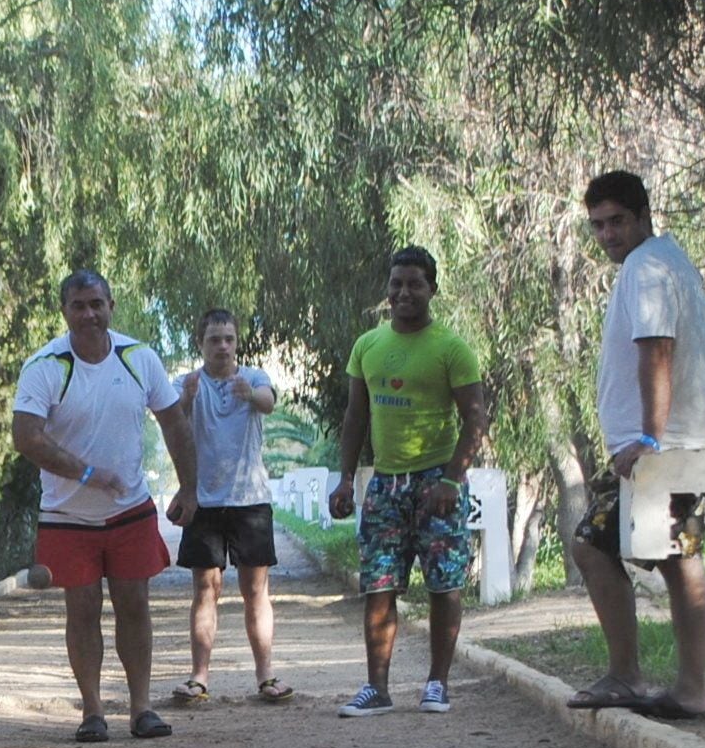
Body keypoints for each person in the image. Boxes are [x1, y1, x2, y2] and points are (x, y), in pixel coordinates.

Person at [565, 170, 705, 719]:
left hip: (669, 446)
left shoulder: (648, 268)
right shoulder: (664, 260)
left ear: (642, 215)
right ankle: (678, 686)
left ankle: (641, 678)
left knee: (604, 546)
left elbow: (656, 348)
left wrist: (648, 438)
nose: (608, 234)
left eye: (617, 221)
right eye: (598, 225)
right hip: (677, 443)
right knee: (669, 555)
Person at [11, 270, 199, 742]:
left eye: (97, 303)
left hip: (130, 508)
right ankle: (92, 711)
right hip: (66, 514)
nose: (89, 314)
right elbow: (26, 436)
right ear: (65, 311)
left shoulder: (139, 357)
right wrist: (87, 473)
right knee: (83, 608)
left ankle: (141, 708)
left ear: (111, 305)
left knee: (135, 603)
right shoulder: (46, 365)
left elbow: (174, 423)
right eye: (79, 305)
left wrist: (189, 487)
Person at [327, 247, 488, 716]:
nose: (404, 293)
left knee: (444, 584)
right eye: (397, 283)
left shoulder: (451, 348)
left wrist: (452, 481)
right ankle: (377, 688)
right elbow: (356, 416)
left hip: (437, 483)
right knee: (378, 584)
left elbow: (475, 417)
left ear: (432, 289)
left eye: (415, 284)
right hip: (385, 486)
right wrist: (345, 480)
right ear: (387, 289)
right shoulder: (368, 346)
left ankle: (438, 683)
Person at [170, 308, 289, 707]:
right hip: (203, 501)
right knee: (206, 590)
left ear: (237, 343)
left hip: (250, 500)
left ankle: (266, 676)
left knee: (256, 591)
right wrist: (185, 400)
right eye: (214, 339)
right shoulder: (187, 383)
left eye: (229, 339)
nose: (222, 346)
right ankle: (198, 678)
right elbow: (172, 423)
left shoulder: (253, 377)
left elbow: (269, 402)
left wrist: (249, 395)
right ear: (201, 344)